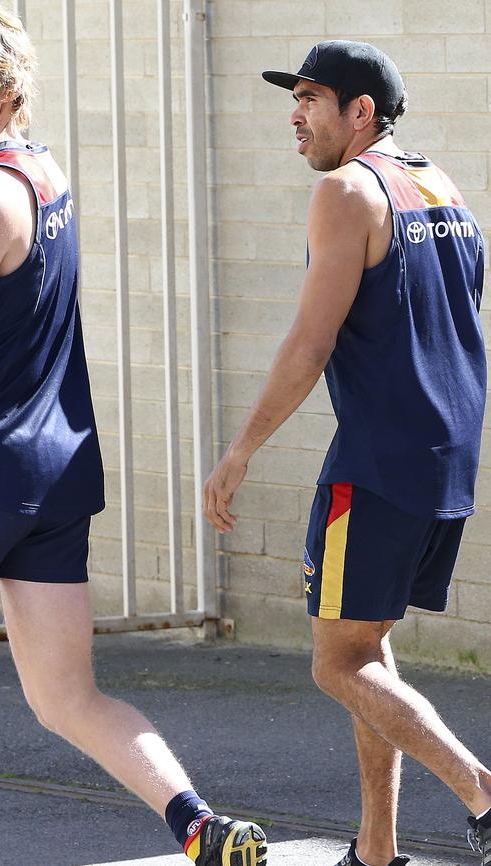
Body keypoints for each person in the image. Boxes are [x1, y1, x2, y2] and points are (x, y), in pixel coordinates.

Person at [0, 4, 267, 866]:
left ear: (8, 88)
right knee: (65, 696)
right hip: (54, 471)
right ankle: (199, 826)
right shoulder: (42, 175)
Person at [203, 40, 491, 866]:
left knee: (337, 666)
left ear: (362, 111)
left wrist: (240, 451)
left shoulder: (347, 191)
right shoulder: (442, 187)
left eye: (312, 98)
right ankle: (376, 851)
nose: (295, 115)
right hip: (445, 456)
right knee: (367, 648)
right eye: (292, 98)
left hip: (375, 460)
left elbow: (309, 344)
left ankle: (481, 792)